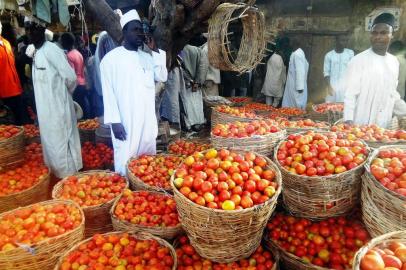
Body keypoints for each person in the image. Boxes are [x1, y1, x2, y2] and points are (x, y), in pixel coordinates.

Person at [100, 10, 167, 175]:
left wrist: (155, 50)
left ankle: (145, 191)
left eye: (141, 30)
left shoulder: (147, 58)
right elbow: (108, 92)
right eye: (134, 30)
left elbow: (162, 76)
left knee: (147, 164)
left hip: (146, 121)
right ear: (124, 32)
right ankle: (126, 192)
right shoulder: (110, 59)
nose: (139, 33)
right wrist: (114, 122)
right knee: (126, 161)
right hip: (125, 121)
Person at [26, 22, 82, 178]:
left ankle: (69, 178)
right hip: (45, 110)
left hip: (58, 108)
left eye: (35, 29)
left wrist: (64, 97)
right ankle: (56, 177)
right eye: (28, 29)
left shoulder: (52, 50)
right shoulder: (36, 52)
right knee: (51, 143)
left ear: (43, 30)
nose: (31, 32)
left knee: (62, 143)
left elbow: (71, 78)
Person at [343, 13, 406, 128]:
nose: (378, 37)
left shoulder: (394, 62)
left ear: (392, 35)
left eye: (383, 33)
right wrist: (348, 120)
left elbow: (392, 93)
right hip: (359, 123)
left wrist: (403, 112)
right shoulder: (358, 60)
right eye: (374, 33)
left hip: (383, 125)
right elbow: (350, 94)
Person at [0, 21, 26, 125]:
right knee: (9, 126)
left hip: (16, 91)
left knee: (20, 125)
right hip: (4, 95)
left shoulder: (6, 43)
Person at [60, 32, 91, 119]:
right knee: (84, 105)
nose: (61, 44)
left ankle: (83, 126)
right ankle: (88, 123)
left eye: (61, 42)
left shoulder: (69, 56)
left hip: (76, 85)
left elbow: (71, 74)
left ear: (65, 43)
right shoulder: (77, 53)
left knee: (79, 110)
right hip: (82, 82)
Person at [324, 35, 354, 103]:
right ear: (336, 41)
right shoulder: (329, 55)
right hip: (332, 86)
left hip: (345, 86)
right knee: (330, 107)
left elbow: (353, 70)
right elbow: (326, 72)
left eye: (346, 40)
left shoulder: (350, 53)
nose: (345, 42)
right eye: (342, 40)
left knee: (344, 107)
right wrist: (329, 86)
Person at [282, 39, 309, 110]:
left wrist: (300, 87)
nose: (289, 44)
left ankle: (296, 119)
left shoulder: (297, 54)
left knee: (296, 105)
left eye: (291, 42)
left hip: (297, 87)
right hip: (293, 84)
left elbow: (300, 71)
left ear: (294, 43)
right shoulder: (296, 53)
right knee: (291, 105)